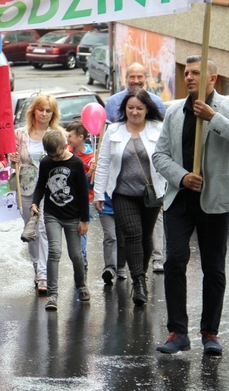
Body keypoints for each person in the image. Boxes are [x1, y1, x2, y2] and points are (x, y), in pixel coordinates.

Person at [153, 56, 229, 355]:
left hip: (216, 199)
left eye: (196, 73)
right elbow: (160, 155)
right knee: (175, 260)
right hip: (180, 198)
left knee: (213, 267)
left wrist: (213, 118)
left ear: (212, 79)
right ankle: (178, 332)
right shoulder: (174, 111)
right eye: (187, 73)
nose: (189, 77)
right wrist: (182, 177)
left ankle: (210, 333)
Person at [94, 89, 166, 306]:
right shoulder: (114, 130)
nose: (134, 112)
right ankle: (139, 282)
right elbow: (104, 162)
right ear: (124, 109)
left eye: (139, 108)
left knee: (146, 237)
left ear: (147, 110)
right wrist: (98, 193)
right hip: (122, 193)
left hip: (151, 194)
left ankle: (139, 275)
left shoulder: (158, 129)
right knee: (133, 235)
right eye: (130, 107)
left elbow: (166, 159)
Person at [106, 61, 167, 274]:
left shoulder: (158, 103)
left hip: (151, 184)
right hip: (122, 182)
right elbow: (108, 142)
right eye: (132, 77)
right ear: (126, 78)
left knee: (147, 231)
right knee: (130, 231)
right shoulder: (113, 102)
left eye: (140, 77)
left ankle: (156, 260)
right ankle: (130, 272)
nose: (136, 81)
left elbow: (163, 145)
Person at [8, 94, 63, 295]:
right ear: (34, 111)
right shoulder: (20, 134)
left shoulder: (57, 134)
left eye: (48, 110)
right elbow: (10, 159)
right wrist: (11, 158)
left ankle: (43, 275)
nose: (44, 113)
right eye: (41, 109)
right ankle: (37, 267)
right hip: (26, 188)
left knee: (44, 230)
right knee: (30, 231)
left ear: (53, 114)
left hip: (50, 189)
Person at [30, 130, 90, 311]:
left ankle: (81, 285)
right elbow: (41, 186)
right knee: (54, 252)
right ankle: (52, 294)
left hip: (73, 216)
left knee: (76, 254)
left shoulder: (76, 163)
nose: (54, 159)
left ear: (65, 146)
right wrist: (34, 203)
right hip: (52, 214)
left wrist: (84, 220)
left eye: (57, 155)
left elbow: (82, 192)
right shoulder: (46, 162)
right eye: (51, 156)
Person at [65, 121, 93, 270]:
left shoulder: (91, 157)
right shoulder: (66, 151)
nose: (67, 139)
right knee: (73, 230)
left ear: (81, 137)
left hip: (86, 199)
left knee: (80, 230)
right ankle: (79, 258)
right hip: (68, 199)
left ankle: (82, 258)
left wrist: (91, 172)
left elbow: (91, 182)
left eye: (70, 136)